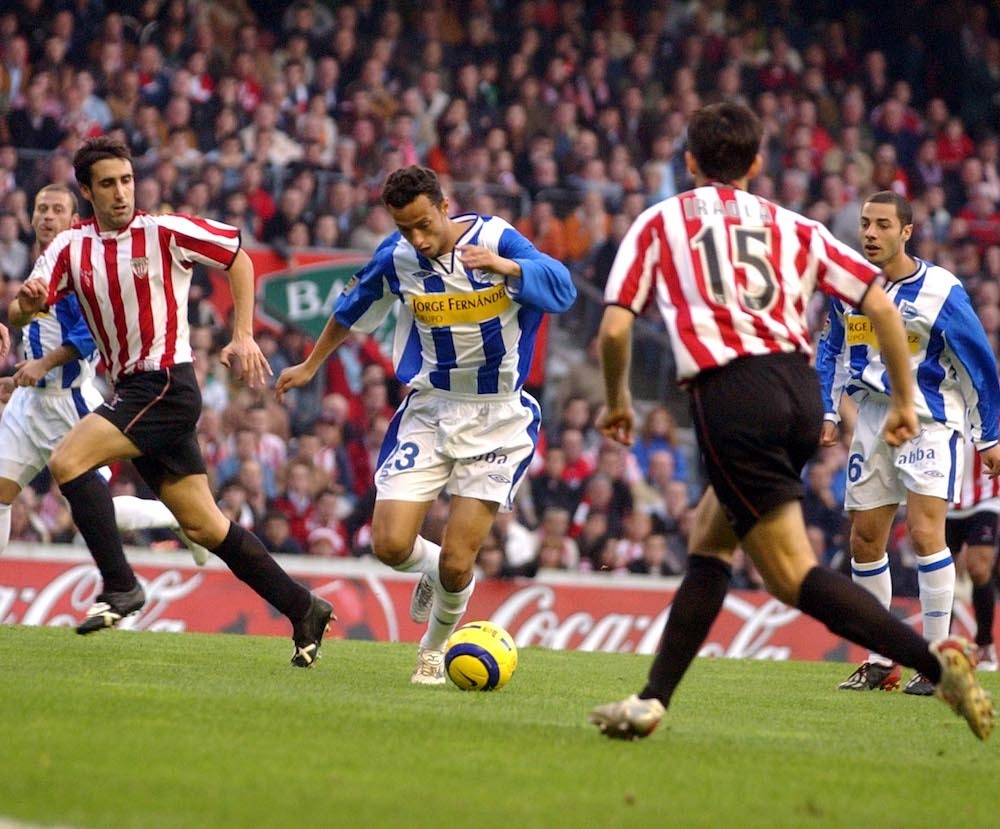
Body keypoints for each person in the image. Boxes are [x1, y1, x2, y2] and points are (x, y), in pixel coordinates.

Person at [588, 103, 993, 741]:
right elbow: (880, 305)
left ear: (688, 162)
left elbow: (614, 326)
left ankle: (936, 664)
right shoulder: (792, 225)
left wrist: (617, 401)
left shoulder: (660, 221)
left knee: (790, 575)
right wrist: (908, 399)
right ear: (754, 165)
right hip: (798, 394)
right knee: (711, 541)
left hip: (733, 396)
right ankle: (651, 700)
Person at [15, 136, 332, 668]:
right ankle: (304, 606)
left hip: (166, 384)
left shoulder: (163, 230)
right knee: (206, 525)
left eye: (127, 180)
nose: (122, 193)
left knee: (67, 460)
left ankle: (121, 587)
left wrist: (243, 333)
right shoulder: (69, 247)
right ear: (88, 192)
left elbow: (238, 256)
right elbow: (30, 303)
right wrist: (23, 311)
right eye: (109, 184)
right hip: (135, 392)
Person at [275, 164, 575, 683]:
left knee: (462, 562)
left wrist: (507, 268)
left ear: (444, 206)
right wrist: (310, 365)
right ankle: (432, 572)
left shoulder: (496, 237)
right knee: (389, 545)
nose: (417, 237)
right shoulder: (397, 259)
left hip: (498, 417)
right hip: (431, 409)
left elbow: (563, 290)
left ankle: (433, 651)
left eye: (423, 224)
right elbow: (350, 309)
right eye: (404, 228)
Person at [816, 191, 1000, 695]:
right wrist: (830, 410)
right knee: (865, 541)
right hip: (873, 419)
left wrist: (990, 437)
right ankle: (881, 661)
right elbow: (830, 346)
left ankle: (936, 663)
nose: (870, 233)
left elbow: (980, 363)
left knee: (924, 535)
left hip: (930, 420)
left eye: (881, 225)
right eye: (865, 224)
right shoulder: (847, 284)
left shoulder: (941, 289)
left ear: (906, 231)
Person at [0, 184, 209, 565]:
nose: (47, 216)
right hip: (29, 403)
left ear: (73, 220)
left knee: (93, 513)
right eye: (41, 208)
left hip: (71, 404)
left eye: (57, 210)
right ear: (30, 217)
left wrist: (43, 366)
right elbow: (36, 329)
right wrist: (16, 379)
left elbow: (88, 336)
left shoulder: (80, 267)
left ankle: (178, 516)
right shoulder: (38, 263)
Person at [947, 440, 1000, 670]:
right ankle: (941, 642)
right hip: (945, 498)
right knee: (940, 570)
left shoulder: (991, 404)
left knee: (978, 568)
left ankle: (984, 644)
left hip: (986, 496)